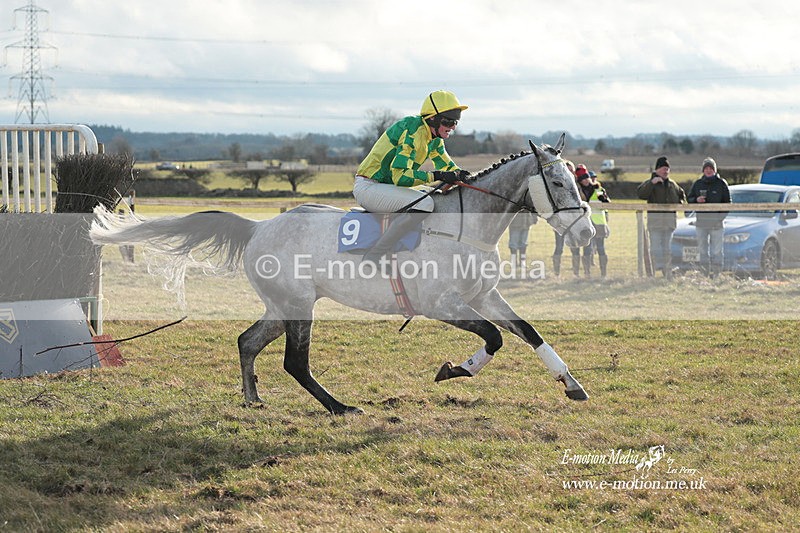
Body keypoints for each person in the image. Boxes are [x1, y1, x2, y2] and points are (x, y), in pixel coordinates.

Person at [354, 90, 470, 264]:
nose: (453, 126)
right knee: (425, 203)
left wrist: (465, 176)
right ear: (432, 119)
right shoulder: (412, 130)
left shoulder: (434, 138)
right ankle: (375, 255)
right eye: (449, 121)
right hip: (369, 187)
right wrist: (437, 176)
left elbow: (447, 166)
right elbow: (401, 177)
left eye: (456, 121)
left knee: (436, 199)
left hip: (387, 188)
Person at [637, 156, 686, 278]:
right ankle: (652, 272)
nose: (666, 171)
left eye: (667, 169)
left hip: (669, 223)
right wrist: (651, 183)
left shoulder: (672, 184)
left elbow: (682, 195)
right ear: (657, 169)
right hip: (655, 223)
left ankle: (667, 273)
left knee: (667, 250)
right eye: (664, 168)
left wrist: (679, 204)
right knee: (654, 249)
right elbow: (641, 194)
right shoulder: (650, 183)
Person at [687, 157, 731, 277]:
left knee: (717, 251)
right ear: (703, 170)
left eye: (710, 168)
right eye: (706, 168)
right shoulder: (697, 184)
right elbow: (689, 199)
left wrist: (719, 219)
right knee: (702, 250)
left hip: (717, 225)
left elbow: (727, 204)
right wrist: (696, 200)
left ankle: (717, 274)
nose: (708, 170)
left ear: (715, 170)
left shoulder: (721, 184)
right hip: (701, 224)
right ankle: (704, 274)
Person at [575, 168, 610, 277]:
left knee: (601, 248)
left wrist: (604, 199)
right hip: (586, 224)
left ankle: (603, 274)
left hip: (599, 223)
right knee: (587, 249)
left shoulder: (598, 188)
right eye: (582, 179)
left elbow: (608, 202)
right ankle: (587, 273)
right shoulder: (578, 192)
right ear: (579, 181)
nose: (585, 180)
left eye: (586, 177)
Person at [551, 160, 576, 277]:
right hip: (561, 223)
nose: (569, 172)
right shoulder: (558, 188)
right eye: (568, 170)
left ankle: (576, 273)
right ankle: (557, 273)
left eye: (571, 170)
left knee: (575, 248)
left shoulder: (576, 187)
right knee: (559, 247)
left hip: (575, 222)